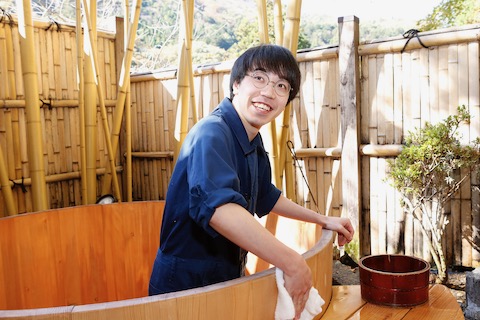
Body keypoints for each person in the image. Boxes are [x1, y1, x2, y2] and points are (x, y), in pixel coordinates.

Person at [149, 44, 354, 318]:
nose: (269, 92)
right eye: (259, 78)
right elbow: (220, 211)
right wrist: (291, 262)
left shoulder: (251, 139)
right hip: (186, 284)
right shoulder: (212, 133)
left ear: (286, 100)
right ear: (236, 84)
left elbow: (265, 196)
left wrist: (322, 219)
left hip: (225, 275)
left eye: (282, 85)